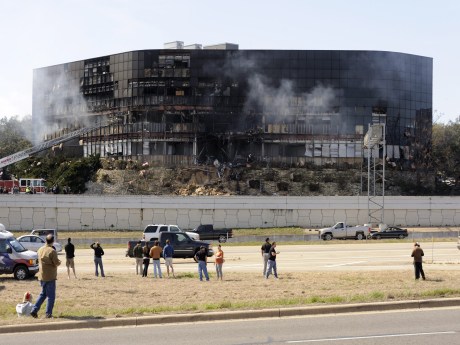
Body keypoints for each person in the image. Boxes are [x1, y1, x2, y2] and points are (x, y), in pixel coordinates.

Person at [30, 234, 61, 318]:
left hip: (42, 276)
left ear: (46, 240)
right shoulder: (52, 251)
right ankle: (48, 314)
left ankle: (34, 310)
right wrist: (60, 261)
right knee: (51, 296)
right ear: (53, 241)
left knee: (43, 294)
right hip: (50, 276)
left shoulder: (40, 249)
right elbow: (56, 263)